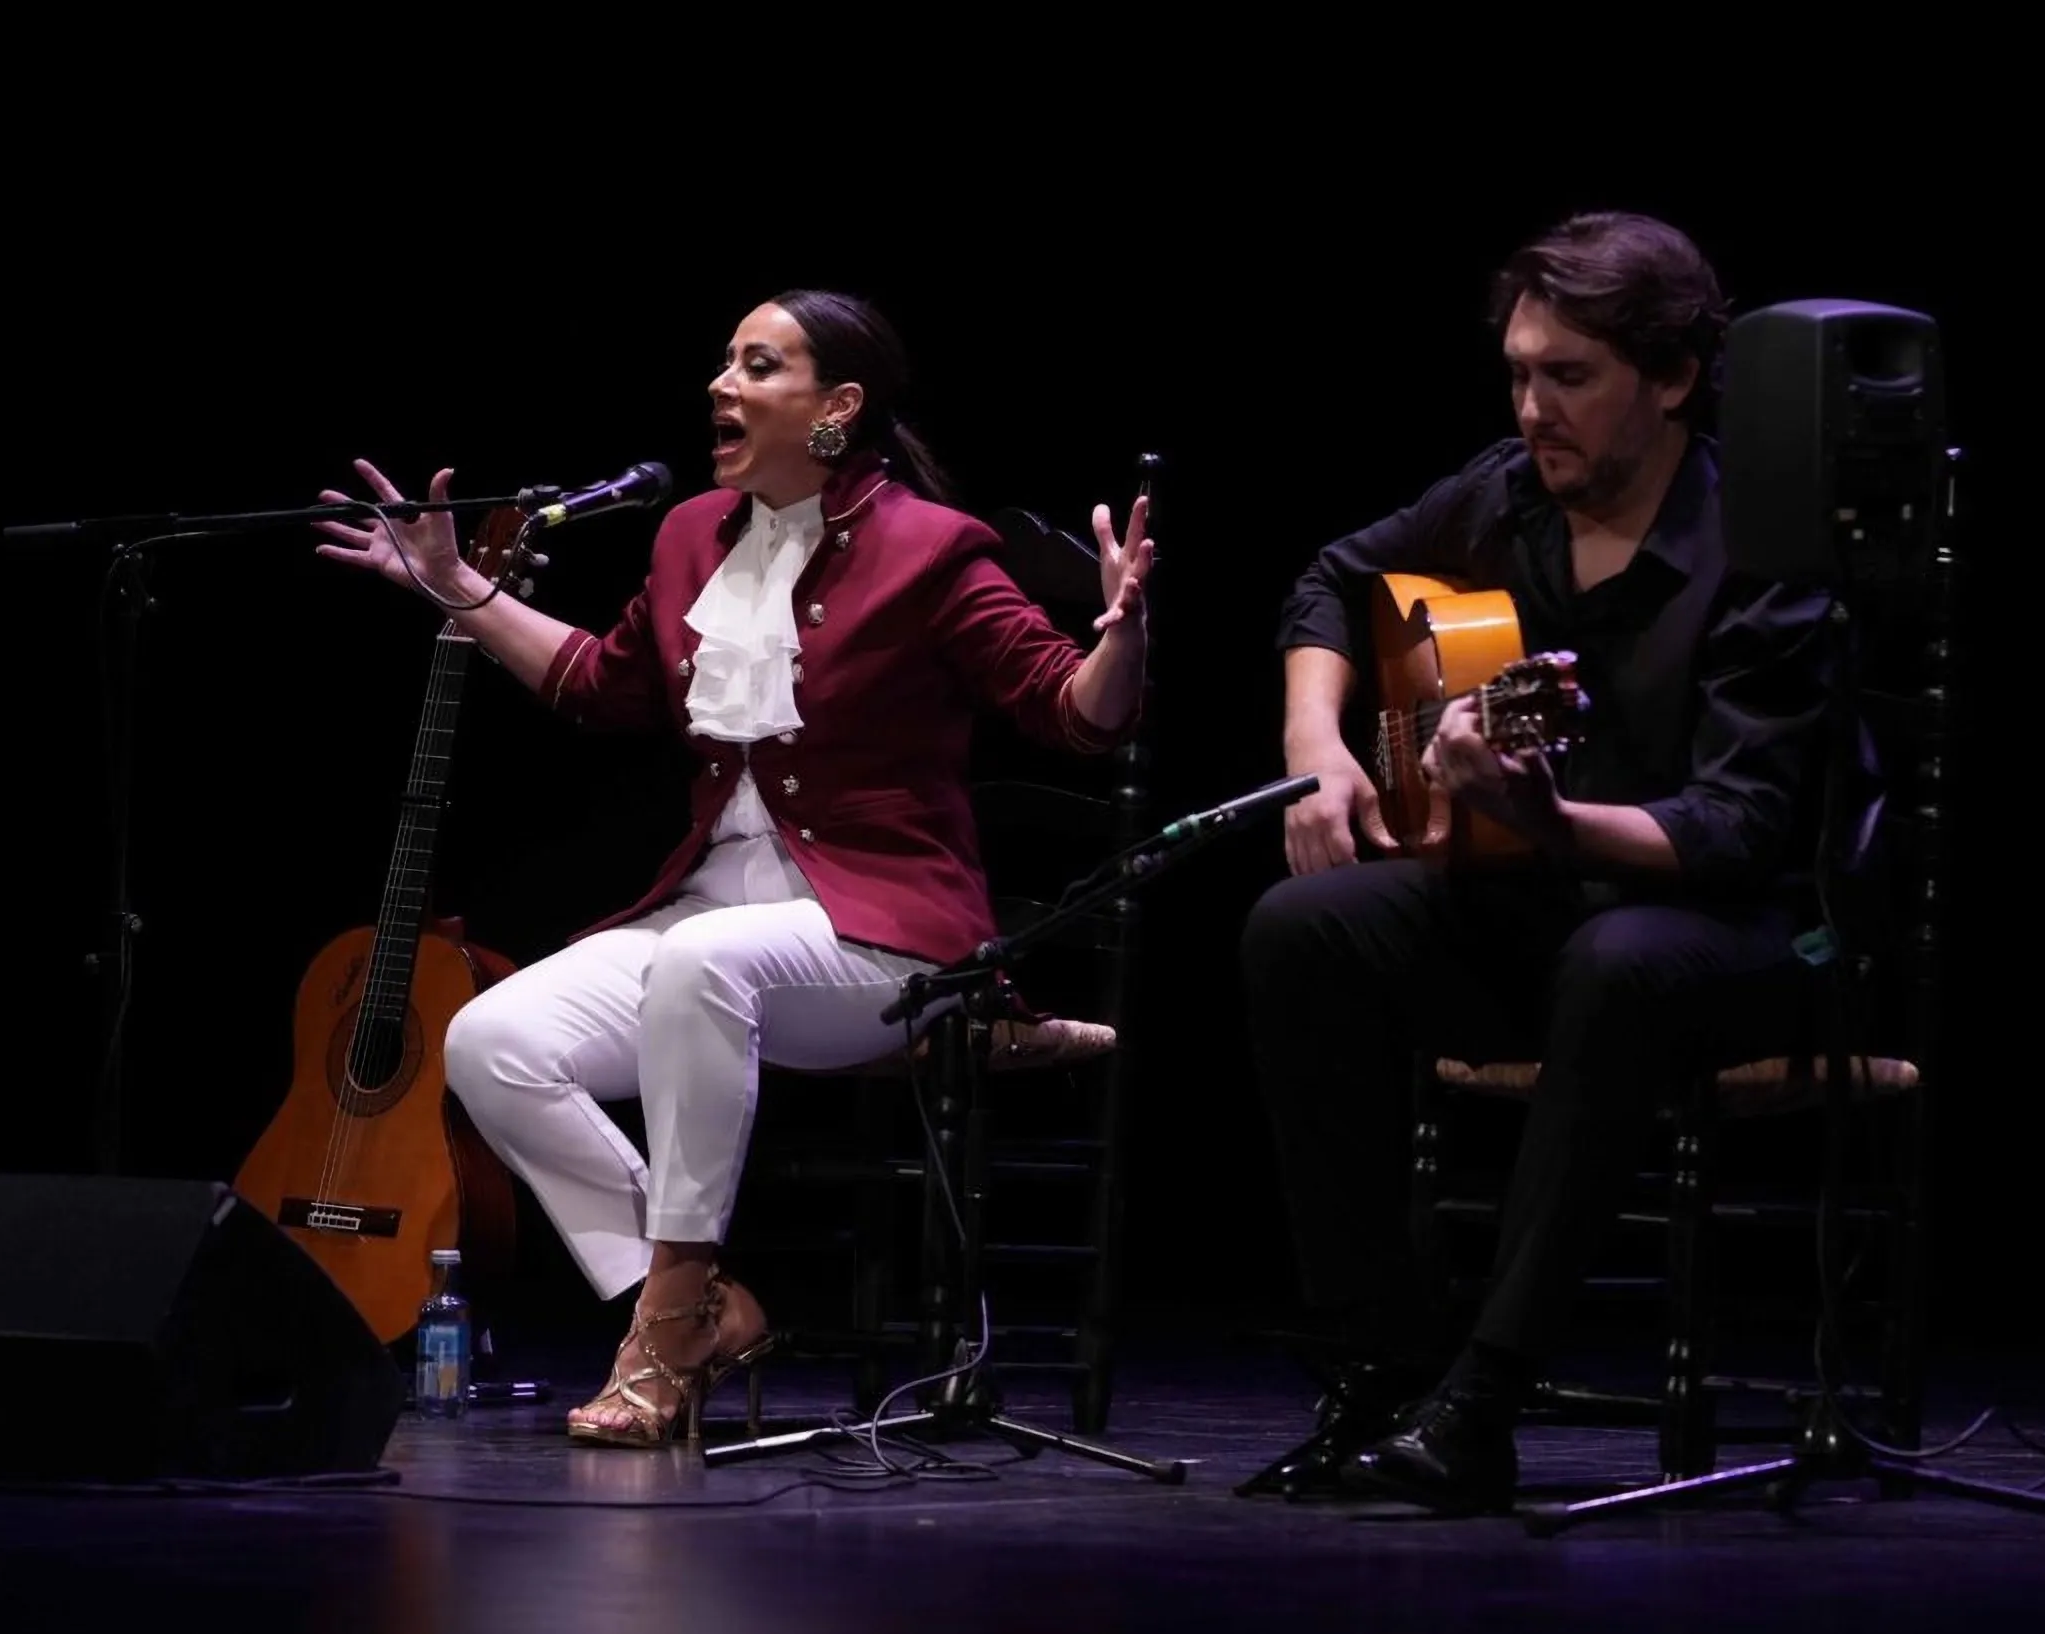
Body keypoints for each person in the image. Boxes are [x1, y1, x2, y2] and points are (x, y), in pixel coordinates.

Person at [311, 289, 1154, 1449]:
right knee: (491, 1039)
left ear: (837, 406)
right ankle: (703, 1306)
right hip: (712, 917)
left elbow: (1074, 712)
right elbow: (601, 683)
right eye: (725, 362)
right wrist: (460, 590)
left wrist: (1123, 636)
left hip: (884, 936)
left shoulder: (933, 547)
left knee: (702, 962)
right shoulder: (690, 535)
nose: (722, 385)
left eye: (759, 366)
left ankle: (663, 1326)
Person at [1235, 211, 1836, 1514]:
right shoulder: (1504, 493)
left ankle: (1482, 1400)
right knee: (1304, 927)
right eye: (1517, 373)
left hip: (1740, 940)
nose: (1531, 408)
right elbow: (1330, 581)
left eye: (1569, 377)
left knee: (1619, 960)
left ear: (1672, 378)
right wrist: (1318, 747)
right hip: (1542, 919)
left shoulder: (1763, 551)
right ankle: (1387, 1367)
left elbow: (1736, 832)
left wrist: (1548, 817)